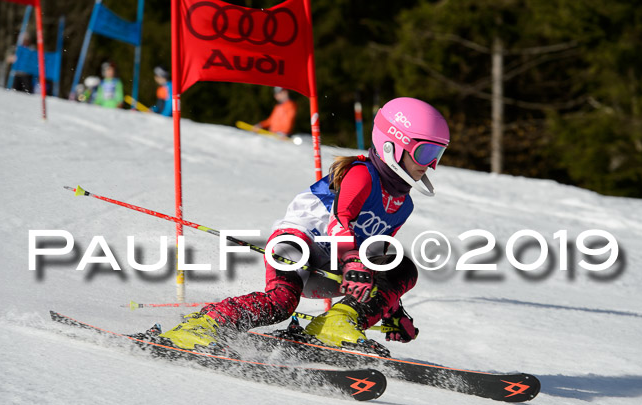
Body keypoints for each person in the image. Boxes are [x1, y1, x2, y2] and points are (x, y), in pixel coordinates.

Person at [156, 97, 450, 353]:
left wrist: (391, 310)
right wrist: (352, 262)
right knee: (281, 302)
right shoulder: (361, 175)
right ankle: (203, 325)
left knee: (402, 267)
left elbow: (376, 258)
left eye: (437, 155)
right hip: (299, 244)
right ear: (392, 145)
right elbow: (339, 221)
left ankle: (334, 325)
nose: (431, 165)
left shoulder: (403, 205)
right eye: (425, 153)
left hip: (334, 267)